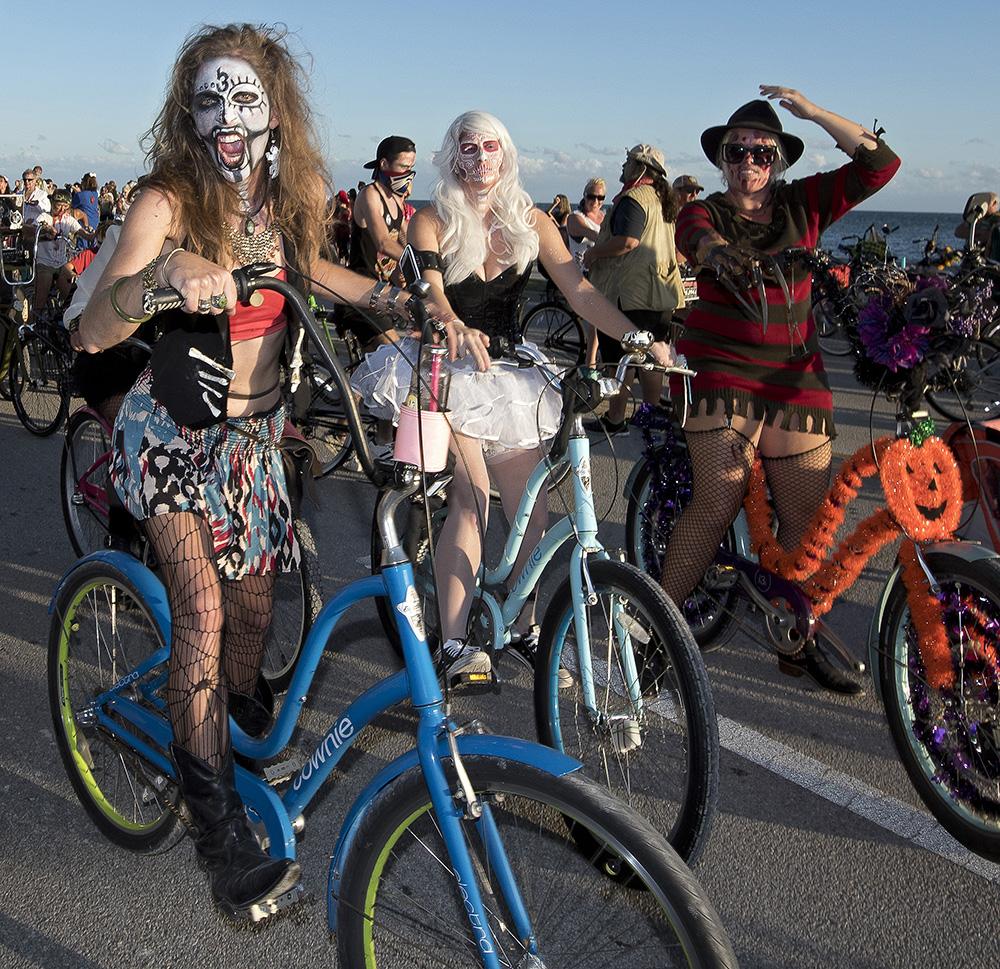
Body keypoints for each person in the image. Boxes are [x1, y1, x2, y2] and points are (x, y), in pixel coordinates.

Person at [74, 23, 476, 921]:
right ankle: (218, 830)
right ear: (189, 109)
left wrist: (401, 303)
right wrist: (165, 275)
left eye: (245, 100)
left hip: (257, 444)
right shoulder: (165, 201)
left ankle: (231, 729)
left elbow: (311, 272)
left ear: (275, 110)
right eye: (211, 100)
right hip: (172, 438)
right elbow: (93, 330)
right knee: (205, 613)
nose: (228, 118)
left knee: (256, 611)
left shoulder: (283, 194)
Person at [353, 110, 675, 679]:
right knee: (472, 496)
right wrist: (451, 321)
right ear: (453, 156)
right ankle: (454, 645)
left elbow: (578, 290)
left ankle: (521, 623)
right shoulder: (431, 219)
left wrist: (642, 339)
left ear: (507, 155)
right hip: (442, 369)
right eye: (469, 148)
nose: (481, 160)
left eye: (491, 148)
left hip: (508, 374)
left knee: (534, 505)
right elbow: (428, 288)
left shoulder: (530, 221)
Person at [659, 87, 901, 694]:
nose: (749, 163)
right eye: (737, 151)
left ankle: (798, 633)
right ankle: (651, 629)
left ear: (779, 160)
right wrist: (718, 253)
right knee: (719, 496)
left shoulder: (804, 205)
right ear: (722, 158)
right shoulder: (708, 210)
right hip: (720, 367)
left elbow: (881, 164)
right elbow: (694, 234)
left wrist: (815, 113)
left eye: (762, 154)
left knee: (806, 521)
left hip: (794, 376)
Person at [583, 143, 685, 434]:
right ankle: (649, 414)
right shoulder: (663, 200)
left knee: (622, 359)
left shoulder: (634, 198)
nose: (623, 166)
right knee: (651, 359)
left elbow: (629, 241)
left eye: (628, 161)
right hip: (661, 292)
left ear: (640, 167)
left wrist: (594, 253)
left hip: (631, 293)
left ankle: (616, 419)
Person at [342, 135, 416, 348]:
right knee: (392, 351)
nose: (408, 174)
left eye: (411, 167)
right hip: (361, 290)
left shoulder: (398, 200)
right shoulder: (370, 195)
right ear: (384, 164)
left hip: (385, 291)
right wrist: (413, 260)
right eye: (403, 167)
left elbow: (410, 238)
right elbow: (383, 242)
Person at [34, 189, 95, 312]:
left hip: (61, 262)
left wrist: (93, 234)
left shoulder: (68, 219)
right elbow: (36, 230)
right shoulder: (44, 217)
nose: (62, 210)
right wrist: (46, 230)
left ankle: (61, 313)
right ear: (52, 203)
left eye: (65, 207)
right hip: (45, 262)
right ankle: (35, 321)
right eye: (58, 206)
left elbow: (81, 232)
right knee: (42, 293)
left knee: (69, 288)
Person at [565, 177, 605, 269]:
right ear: (584, 195)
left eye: (600, 197)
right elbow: (593, 235)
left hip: (602, 275)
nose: (595, 201)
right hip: (580, 274)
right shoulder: (574, 218)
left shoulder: (606, 218)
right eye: (591, 197)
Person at [72, 173, 101, 247]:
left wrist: (76, 193)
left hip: (85, 223)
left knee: (82, 247)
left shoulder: (80, 195)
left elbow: (72, 206)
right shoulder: (95, 194)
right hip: (95, 222)